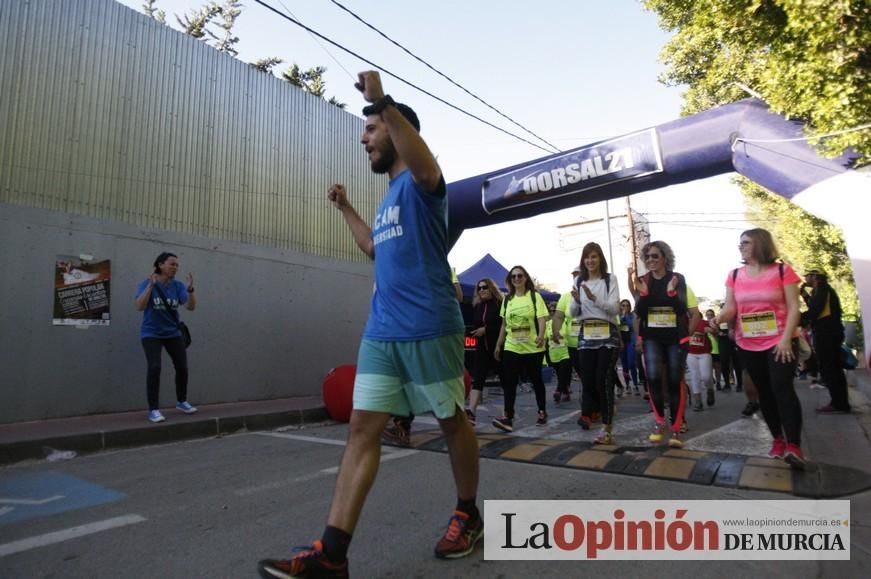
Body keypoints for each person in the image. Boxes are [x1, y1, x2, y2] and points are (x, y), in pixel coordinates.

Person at [258, 71, 481, 578]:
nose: (364, 139)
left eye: (371, 129)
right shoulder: (387, 201)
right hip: (382, 332)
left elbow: (427, 168)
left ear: (398, 130)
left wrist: (383, 99)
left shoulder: (424, 186)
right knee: (362, 429)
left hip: (429, 326)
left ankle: (467, 513)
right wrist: (346, 209)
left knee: (450, 421)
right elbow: (374, 250)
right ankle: (332, 556)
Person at [713, 228, 805, 469]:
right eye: (739, 243)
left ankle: (794, 445)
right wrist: (718, 319)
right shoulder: (734, 275)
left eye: (746, 242)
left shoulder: (783, 271)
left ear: (760, 244)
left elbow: (794, 307)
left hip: (780, 341)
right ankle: (778, 439)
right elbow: (731, 308)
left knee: (782, 388)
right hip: (748, 343)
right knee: (764, 392)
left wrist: (786, 339)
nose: (740, 246)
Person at [633, 240, 699, 448]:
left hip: (675, 338)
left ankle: (677, 426)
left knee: (674, 379)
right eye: (648, 257)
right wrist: (643, 294)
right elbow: (639, 314)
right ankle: (660, 421)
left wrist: (671, 293)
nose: (651, 260)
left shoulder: (677, 279)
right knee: (652, 376)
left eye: (655, 256)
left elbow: (683, 310)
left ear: (664, 258)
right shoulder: (644, 280)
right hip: (652, 336)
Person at [134, 252, 197, 423]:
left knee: (182, 368)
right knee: (154, 368)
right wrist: (151, 286)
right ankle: (153, 410)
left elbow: (190, 307)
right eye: (172, 264)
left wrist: (190, 290)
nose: (175, 268)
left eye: (177, 265)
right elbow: (139, 306)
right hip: (151, 333)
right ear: (160, 265)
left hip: (173, 333)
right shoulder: (146, 283)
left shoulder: (177, 286)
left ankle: (181, 401)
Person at [568, 242, 621, 444]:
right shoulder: (579, 281)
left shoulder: (610, 280)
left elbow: (615, 309)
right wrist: (578, 300)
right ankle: (593, 412)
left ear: (600, 259)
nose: (590, 261)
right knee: (588, 379)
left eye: (594, 257)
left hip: (607, 334)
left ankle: (607, 428)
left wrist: (593, 297)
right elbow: (573, 313)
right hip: (586, 333)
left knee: (603, 379)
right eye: (587, 258)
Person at [492, 265, 549, 432]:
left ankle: (542, 411)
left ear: (525, 278)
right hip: (512, 346)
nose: (517, 279)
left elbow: (541, 319)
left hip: (532, 347)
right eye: (514, 276)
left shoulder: (534, 297)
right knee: (509, 381)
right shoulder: (507, 300)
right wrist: (498, 344)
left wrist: (541, 335)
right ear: (510, 280)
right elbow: (504, 324)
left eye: (520, 276)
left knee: (536, 379)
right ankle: (508, 417)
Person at [801, 270, 850, 413]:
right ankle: (839, 402)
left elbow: (815, 310)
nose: (805, 278)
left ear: (815, 276)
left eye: (807, 275)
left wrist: (796, 318)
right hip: (827, 333)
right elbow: (815, 306)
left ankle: (839, 404)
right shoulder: (820, 290)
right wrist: (804, 295)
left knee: (831, 368)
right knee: (831, 368)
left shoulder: (822, 290)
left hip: (827, 333)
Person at [467, 277, 504, 423]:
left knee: (505, 379)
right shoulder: (477, 306)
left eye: (485, 287)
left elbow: (504, 326)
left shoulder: (500, 304)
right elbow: (475, 325)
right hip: (482, 348)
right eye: (479, 288)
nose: (482, 290)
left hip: (498, 347)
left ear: (491, 288)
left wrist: (486, 330)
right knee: (478, 379)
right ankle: (471, 412)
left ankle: (508, 414)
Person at [545, 301, 572, 403]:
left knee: (562, 371)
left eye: (554, 311)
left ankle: (558, 390)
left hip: (565, 351)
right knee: (560, 374)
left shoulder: (565, 321)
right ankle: (565, 393)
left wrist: (560, 335)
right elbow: (545, 337)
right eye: (550, 311)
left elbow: (568, 333)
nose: (552, 313)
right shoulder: (548, 323)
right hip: (553, 353)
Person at [686, 315, 715, 411]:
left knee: (706, 377)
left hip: (704, 353)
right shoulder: (685, 322)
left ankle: (710, 389)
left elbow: (716, 332)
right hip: (690, 353)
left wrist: (711, 330)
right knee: (695, 376)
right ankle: (698, 402)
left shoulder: (704, 322)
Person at [619, 299, 641, 395]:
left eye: (627, 305)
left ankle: (635, 385)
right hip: (622, 343)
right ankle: (627, 385)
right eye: (623, 305)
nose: (625, 307)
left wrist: (625, 316)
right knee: (625, 365)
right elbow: (617, 326)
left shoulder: (632, 316)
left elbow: (633, 325)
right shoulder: (618, 317)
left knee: (631, 364)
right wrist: (622, 316)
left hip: (631, 342)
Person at [705, 309, 722, 390]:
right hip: (707, 349)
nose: (709, 316)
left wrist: (714, 331)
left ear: (714, 315)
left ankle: (718, 382)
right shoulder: (704, 324)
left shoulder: (717, 324)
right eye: (708, 315)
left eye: (711, 314)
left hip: (716, 348)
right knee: (709, 367)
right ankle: (711, 379)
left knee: (717, 367)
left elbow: (719, 335)